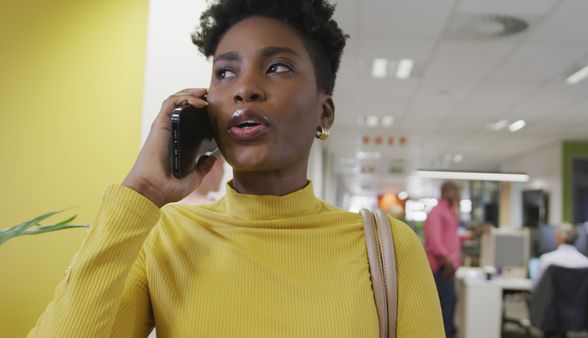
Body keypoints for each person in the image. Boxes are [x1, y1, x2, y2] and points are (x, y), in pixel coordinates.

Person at [27, 1, 445, 337]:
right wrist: (142, 192)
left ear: (325, 112)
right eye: (225, 72)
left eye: (277, 66)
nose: (244, 87)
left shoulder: (388, 246)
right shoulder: (165, 237)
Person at [424, 181, 461, 338]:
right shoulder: (437, 212)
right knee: (445, 305)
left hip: (448, 266)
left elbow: (451, 238)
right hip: (441, 267)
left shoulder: (449, 212)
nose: (458, 195)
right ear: (447, 192)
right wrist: (447, 261)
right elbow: (434, 242)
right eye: (456, 191)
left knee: (450, 303)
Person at [532, 223, 588, 289]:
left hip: (553, 299)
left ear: (561, 237)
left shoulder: (547, 260)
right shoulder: (587, 263)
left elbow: (535, 287)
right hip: (580, 299)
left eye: (556, 235)